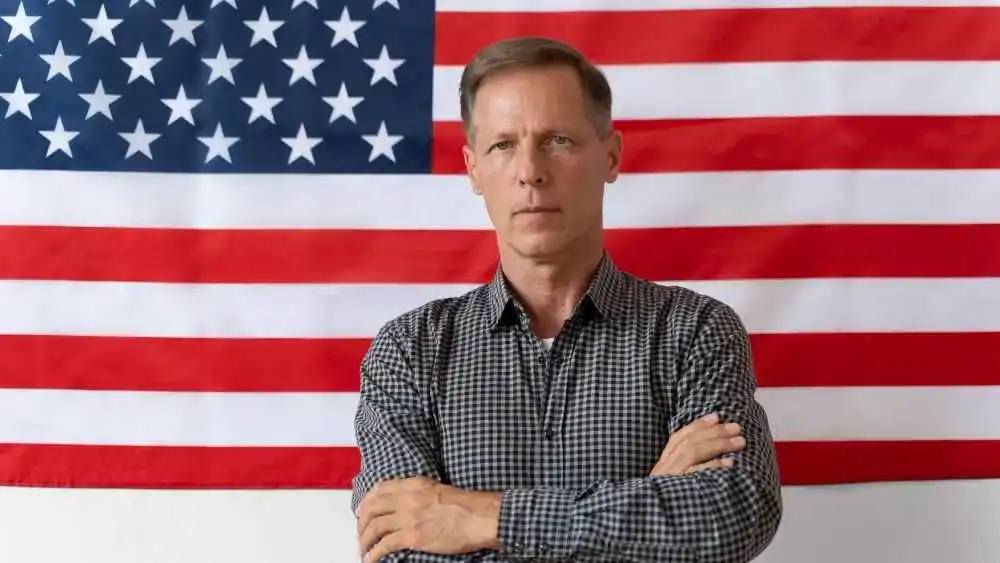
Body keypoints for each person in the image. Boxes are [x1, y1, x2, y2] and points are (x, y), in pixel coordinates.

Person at [351, 36, 783, 562]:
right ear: (472, 169)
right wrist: (648, 502)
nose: (530, 170)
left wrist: (482, 517)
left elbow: (730, 516)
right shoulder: (409, 352)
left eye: (557, 139)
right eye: (503, 144)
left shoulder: (693, 331)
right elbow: (399, 552)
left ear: (611, 155)